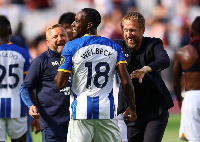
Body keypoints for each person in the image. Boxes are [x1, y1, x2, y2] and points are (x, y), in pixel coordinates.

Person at [54, 8, 137, 142]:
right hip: (106, 111)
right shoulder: (114, 46)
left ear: (89, 25)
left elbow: (60, 84)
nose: (73, 25)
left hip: (81, 111)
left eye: (76, 21)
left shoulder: (71, 46)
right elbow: (126, 81)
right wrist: (132, 107)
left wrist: (58, 76)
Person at [114, 11, 174, 142]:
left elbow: (165, 60)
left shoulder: (153, 44)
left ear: (143, 30)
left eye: (133, 30)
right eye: (125, 30)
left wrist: (146, 69)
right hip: (132, 113)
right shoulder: (118, 46)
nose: (128, 35)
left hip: (155, 111)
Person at [20, 24, 70, 142]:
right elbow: (25, 87)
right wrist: (31, 105)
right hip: (52, 124)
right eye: (55, 36)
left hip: (75, 123)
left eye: (63, 35)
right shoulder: (41, 61)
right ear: (47, 42)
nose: (60, 39)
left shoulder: (74, 58)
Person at [0, 15, 31, 142]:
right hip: (17, 106)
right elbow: (29, 83)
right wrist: (33, 107)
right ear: (10, 31)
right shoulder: (22, 52)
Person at [173, 16, 200, 142]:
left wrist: (179, 98)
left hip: (192, 98)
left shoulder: (182, 52)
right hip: (191, 98)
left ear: (191, 32)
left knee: (194, 139)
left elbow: (175, 82)